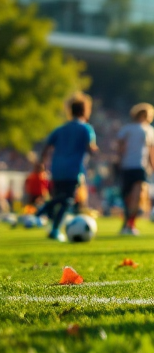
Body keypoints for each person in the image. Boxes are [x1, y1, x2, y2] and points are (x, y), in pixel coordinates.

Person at [38, 94, 98, 242]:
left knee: (61, 199)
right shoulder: (86, 128)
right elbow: (91, 148)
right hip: (73, 169)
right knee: (67, 200)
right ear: (85, 111)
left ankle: (49, 219)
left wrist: (42, 163)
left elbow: (46, 147)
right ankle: (53, 227)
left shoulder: (61, 129)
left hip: (57, 169)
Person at [115, 102, 154, 236]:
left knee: (128, 197)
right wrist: (153, 166)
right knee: (136, 197)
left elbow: (120, 149)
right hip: (140, 167)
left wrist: (120, 163)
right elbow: (152, 151)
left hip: (126, 166)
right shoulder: (149, 130)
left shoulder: (126, 129)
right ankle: (130, 224)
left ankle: (127, 224)